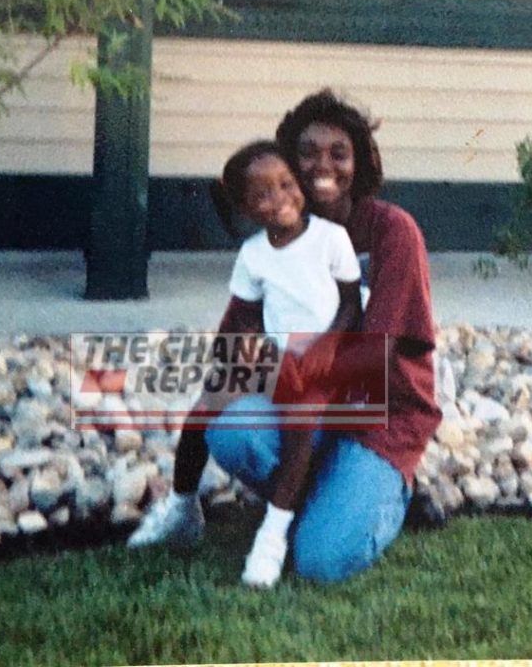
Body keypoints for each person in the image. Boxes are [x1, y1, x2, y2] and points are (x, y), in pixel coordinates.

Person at [130, 90, 442, 585]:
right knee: (230, 428)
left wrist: (281, 365)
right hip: (304, 405)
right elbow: (232, 344)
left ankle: (393, 490)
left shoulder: (392, 233)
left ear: (358, 162)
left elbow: (371, 358)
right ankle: (313, 495)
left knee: (320, 559)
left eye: (339, 153)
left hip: (377, 419)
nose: (323, 165)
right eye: (307, 153)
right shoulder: (275, 242)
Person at [128, 139, 363, 588]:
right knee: (204, 411)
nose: (281, 199)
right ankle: (181, 506)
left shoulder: (331, 240)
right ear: (246, 208)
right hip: (276, 359)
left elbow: (351, 306)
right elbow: (245, 317)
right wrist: (241, 355)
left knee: (299, 416)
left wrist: (327, 347)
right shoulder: (254, 255)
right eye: (264, 195)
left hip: (325, 361)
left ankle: (272, 534)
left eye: (286, 184)